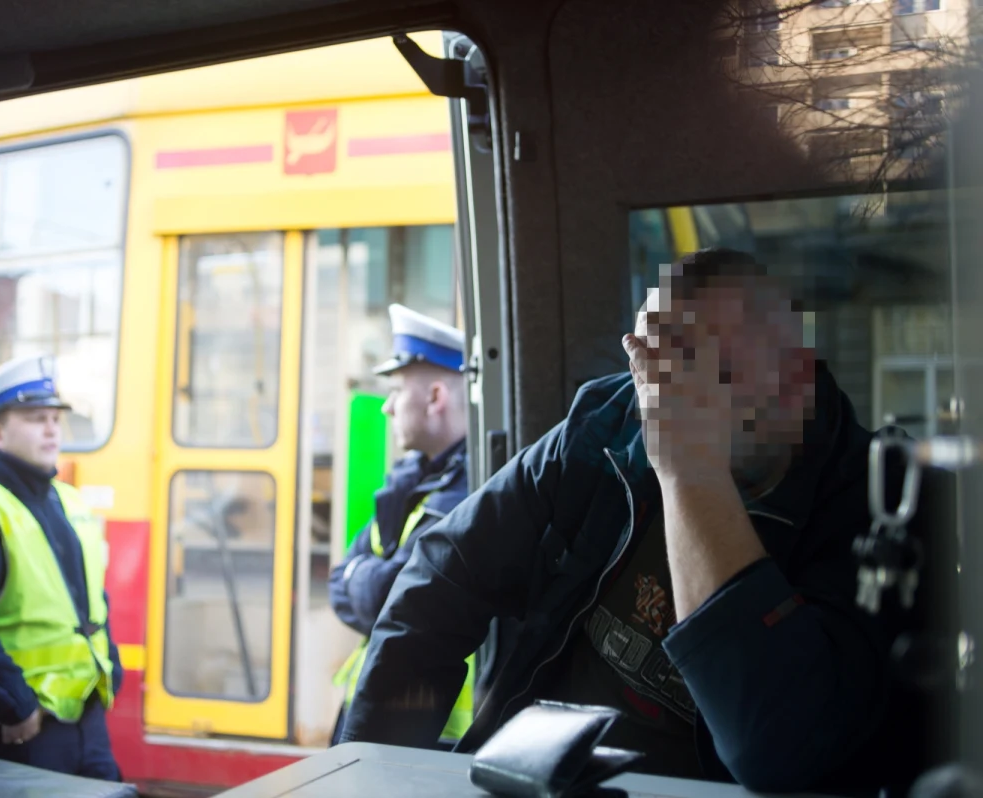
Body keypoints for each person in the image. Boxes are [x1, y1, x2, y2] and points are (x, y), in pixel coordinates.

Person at [338, 249, 921, 793]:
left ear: (794, 378)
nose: (665, 399)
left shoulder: (873, 506)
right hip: (549, 774)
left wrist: (689, 469)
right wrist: (371, 775)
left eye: (699, 369)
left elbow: (776, 744)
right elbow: (442, 579)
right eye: (655, 367)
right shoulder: (613, 422)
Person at [329, 304, 473, 748]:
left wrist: (364, 575)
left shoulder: (468, 491)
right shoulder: (409, 482)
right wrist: (367, 580)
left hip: (426, 735)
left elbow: (396, 600)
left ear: (435, 397)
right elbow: (341, 581)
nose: (386, 407)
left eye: (395, 390)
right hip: (380, 715)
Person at [0, 354, 124, 781]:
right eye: (34, 418)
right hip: (29, 725)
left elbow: (91, 599)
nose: (51, 428)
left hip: (86, 709)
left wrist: (110, 666)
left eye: (54, 418)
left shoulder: (69, 500)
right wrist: (16, 704)